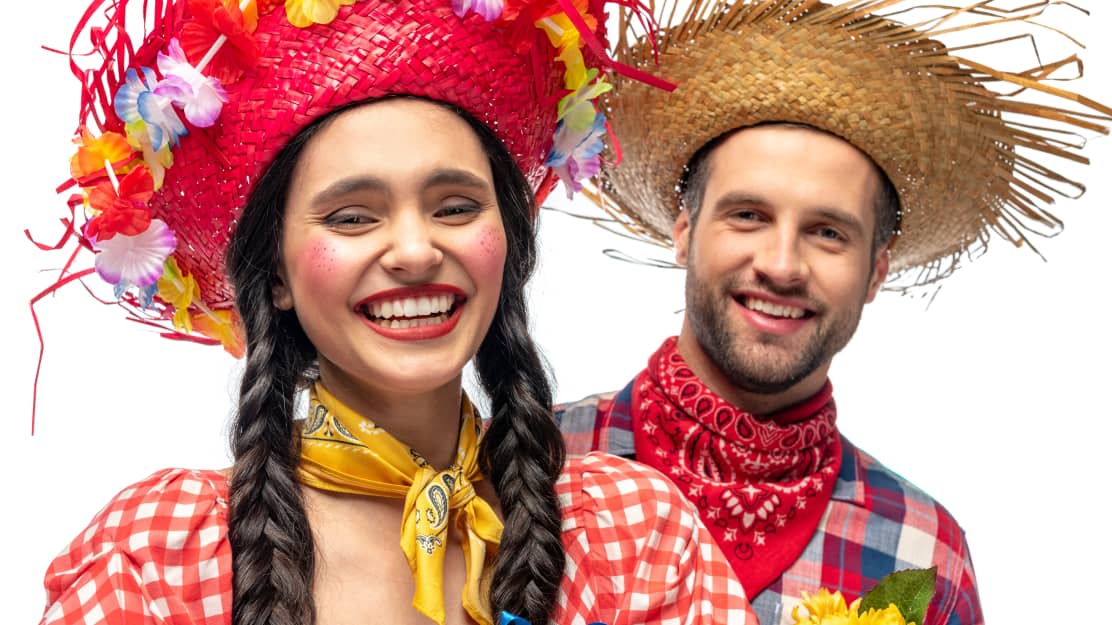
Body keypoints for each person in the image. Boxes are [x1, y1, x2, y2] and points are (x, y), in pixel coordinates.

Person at [34, 1, 754, 624]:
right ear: (275, 275)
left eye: (455, 206)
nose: (415, 249)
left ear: (505, 239)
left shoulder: (634, 538)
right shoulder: (157, 558)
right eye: (351, 217)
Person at [556, 2, 1112, 625]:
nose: (783, 264)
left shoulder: (923, 558)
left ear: (876, 270)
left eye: (827, 233)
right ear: (685, 230)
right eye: (748, 215)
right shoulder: (522, 465)